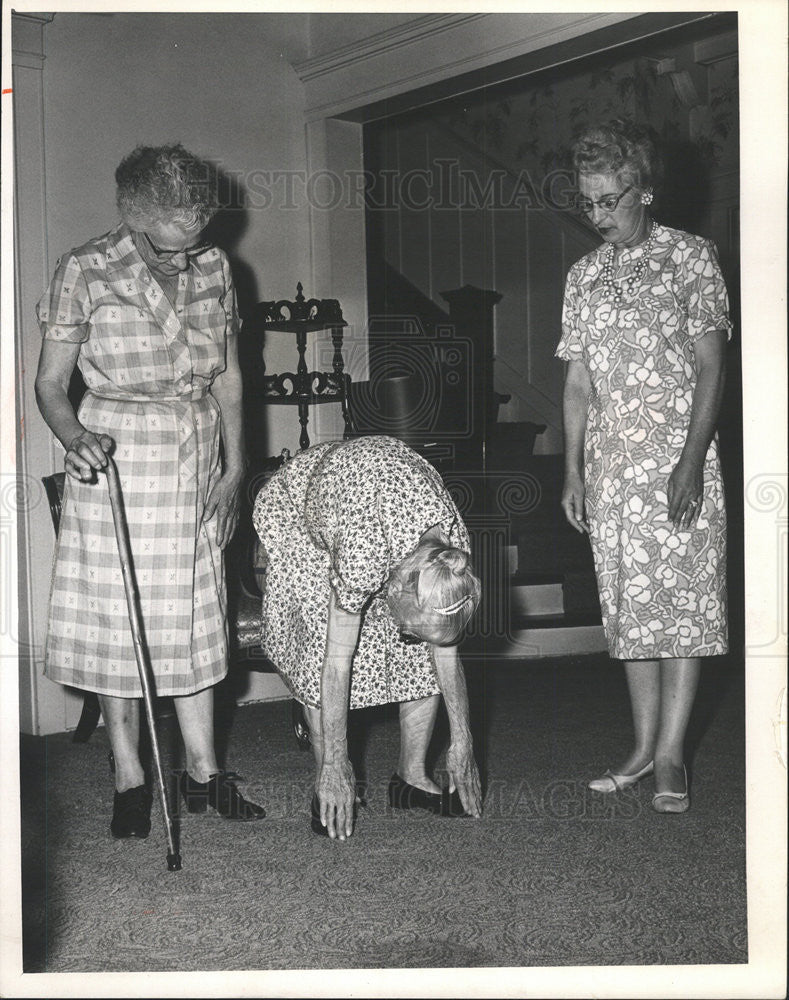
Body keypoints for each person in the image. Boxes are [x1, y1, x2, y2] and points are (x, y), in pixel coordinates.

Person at [35, 144, 264, 839]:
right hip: (115, 453)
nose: (181, 259)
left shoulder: (217, 265)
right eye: (166, 247)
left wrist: (234, 466)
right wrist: (76, 438)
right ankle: (130, 776)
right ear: (133, 222)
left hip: (194, 451)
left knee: (197, 616)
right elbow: (50, 385)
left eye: (193, 242)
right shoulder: (85, 268)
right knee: (118, 620)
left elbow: (227, 376)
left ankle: (202, 771)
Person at [556, 119, 731, 814]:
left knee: (680, 611)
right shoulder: (583, 275)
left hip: (676, 461)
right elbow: (576, 384)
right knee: (629, 614)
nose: (598, 215)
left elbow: (713, 368)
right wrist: (570, 470)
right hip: (610, 467)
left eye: (611, 200)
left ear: (646, 191)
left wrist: (689, 462)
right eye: (588, 201)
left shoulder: (690, 258)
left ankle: (669, 755)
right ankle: (637, 747)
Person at [252, 435, 483, 840]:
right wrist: (339, 761)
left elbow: (444, 655)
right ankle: (329, 780)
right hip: (303, 511)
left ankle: (410, 779)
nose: (410, 636)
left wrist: (463, 743)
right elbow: (337, 665)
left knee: (419, 654)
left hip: (373, 504)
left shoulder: (451, 559)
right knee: (321, 654)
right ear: (395, 588)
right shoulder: (363, 552)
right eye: (408, 623)